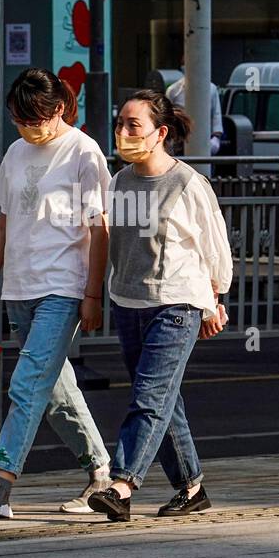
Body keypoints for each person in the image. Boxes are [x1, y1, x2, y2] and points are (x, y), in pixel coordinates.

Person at [0, 68, 113, 519]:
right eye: (20, 120)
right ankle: (101, 472)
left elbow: (99, 228)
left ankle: (1, 484)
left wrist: (92, 294)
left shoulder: (84, 153)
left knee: (27, 384)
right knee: (56, 393)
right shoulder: (16, 152)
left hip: (63, 287)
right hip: (20, 288)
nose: (28, 129)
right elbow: (4, 224)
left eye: (35, 120)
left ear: (58, 110)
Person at [88, 90, 233, 523]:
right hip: (128, 302)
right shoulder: (119, 181)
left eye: (133, 125)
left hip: (176, 303)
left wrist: (213, 301)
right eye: (120, 124)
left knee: (149, 398)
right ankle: (191, 487)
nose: (123, 133)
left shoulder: (188, 183)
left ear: (160, 133)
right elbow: (113, 241)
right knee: (161, 398)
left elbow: (214, 248)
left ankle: (121, 484)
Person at [166, 56, 224, 156]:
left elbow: (216, 115)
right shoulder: (174, 90)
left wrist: (216, 138)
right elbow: (166, 116)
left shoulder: (211, 89)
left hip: (205, 138)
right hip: (179, 139)